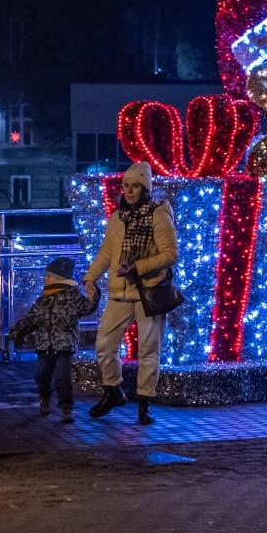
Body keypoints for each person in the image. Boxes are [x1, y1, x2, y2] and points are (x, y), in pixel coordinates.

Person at [85, 161, 178, 424]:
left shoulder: (158, 214)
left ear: (145, 188)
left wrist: (139, 266)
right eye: (126, 185)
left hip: (149, 290)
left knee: (148, 350)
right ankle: (113, 391)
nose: (129, 190)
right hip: (120, 290)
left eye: (135, 185)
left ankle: (145, 403)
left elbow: (170, 254)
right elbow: (106, 251)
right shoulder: (117, 217)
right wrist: (90, 277)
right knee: (104, 345)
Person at [8, 257, 98, 423]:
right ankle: (45, 397)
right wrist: (17, 331)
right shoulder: (43, 301)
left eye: (48, 276)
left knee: (63, 378)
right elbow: (31, 319)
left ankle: (66, 407)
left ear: (58, 278)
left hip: (64, 345)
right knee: (42, 376)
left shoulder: (73, 298)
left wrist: (94, 294)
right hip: (44, 345)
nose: (45, 279)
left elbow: (88, 307)